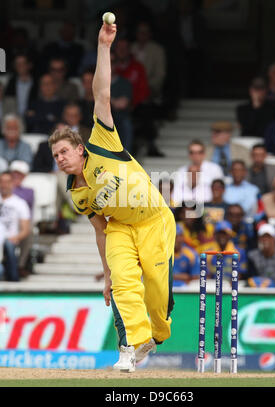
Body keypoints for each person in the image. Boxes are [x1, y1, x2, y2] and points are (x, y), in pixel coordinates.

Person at [49, 22, 176, 373]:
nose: (59, 159)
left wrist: (104, 46)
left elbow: (101, 93)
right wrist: (106, 274)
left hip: (153, 220)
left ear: (78, 148)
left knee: (155, 292)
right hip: (120, 227)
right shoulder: (76, 193)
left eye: (63, 152)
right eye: (55, 156)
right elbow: (99, 229)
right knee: (123, 283)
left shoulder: (102, 143)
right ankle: (132, 346)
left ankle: (156, 333)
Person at [0, 171, 31, 281]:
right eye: (1, 182)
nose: (4, 185)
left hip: (10, 238)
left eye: (7, 182)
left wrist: (16, 237)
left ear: (12, 183)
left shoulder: (20, 203)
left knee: (8, 245)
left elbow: (26, 229)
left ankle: (13, 278)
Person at [172, 140, 224, 206]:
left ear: (204, 154)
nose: (195, 155)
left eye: (199, 152)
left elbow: (219, 191)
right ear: (189, 155)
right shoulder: (181, 171)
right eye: (192, 152)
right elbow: (176, 193)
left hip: (208, 207)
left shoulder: (215, 169)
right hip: (185, 207)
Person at [9, 160, 34, 276]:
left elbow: (27, 212)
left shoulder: (29, 191)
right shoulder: (3, 188)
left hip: (19, 223)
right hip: (4, 222)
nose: (16, 176)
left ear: (24, 176)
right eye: (14, 173)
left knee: (28, 231)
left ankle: (20, 265)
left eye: (19, 174)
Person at [247, 223, 275, 287]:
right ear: (259, 239)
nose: (265, 239)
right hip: (259, 290)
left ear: (274, 238)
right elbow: (251, 277)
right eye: (263, 237)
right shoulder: (252, 256)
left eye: (269, 237)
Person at [4, 53, 38, 119]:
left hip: (32, 121)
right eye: (17, 64)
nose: (20, 66)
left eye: (23, 63)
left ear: (29, 65)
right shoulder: (10, 83)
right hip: (14, 122)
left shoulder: (37, 83)